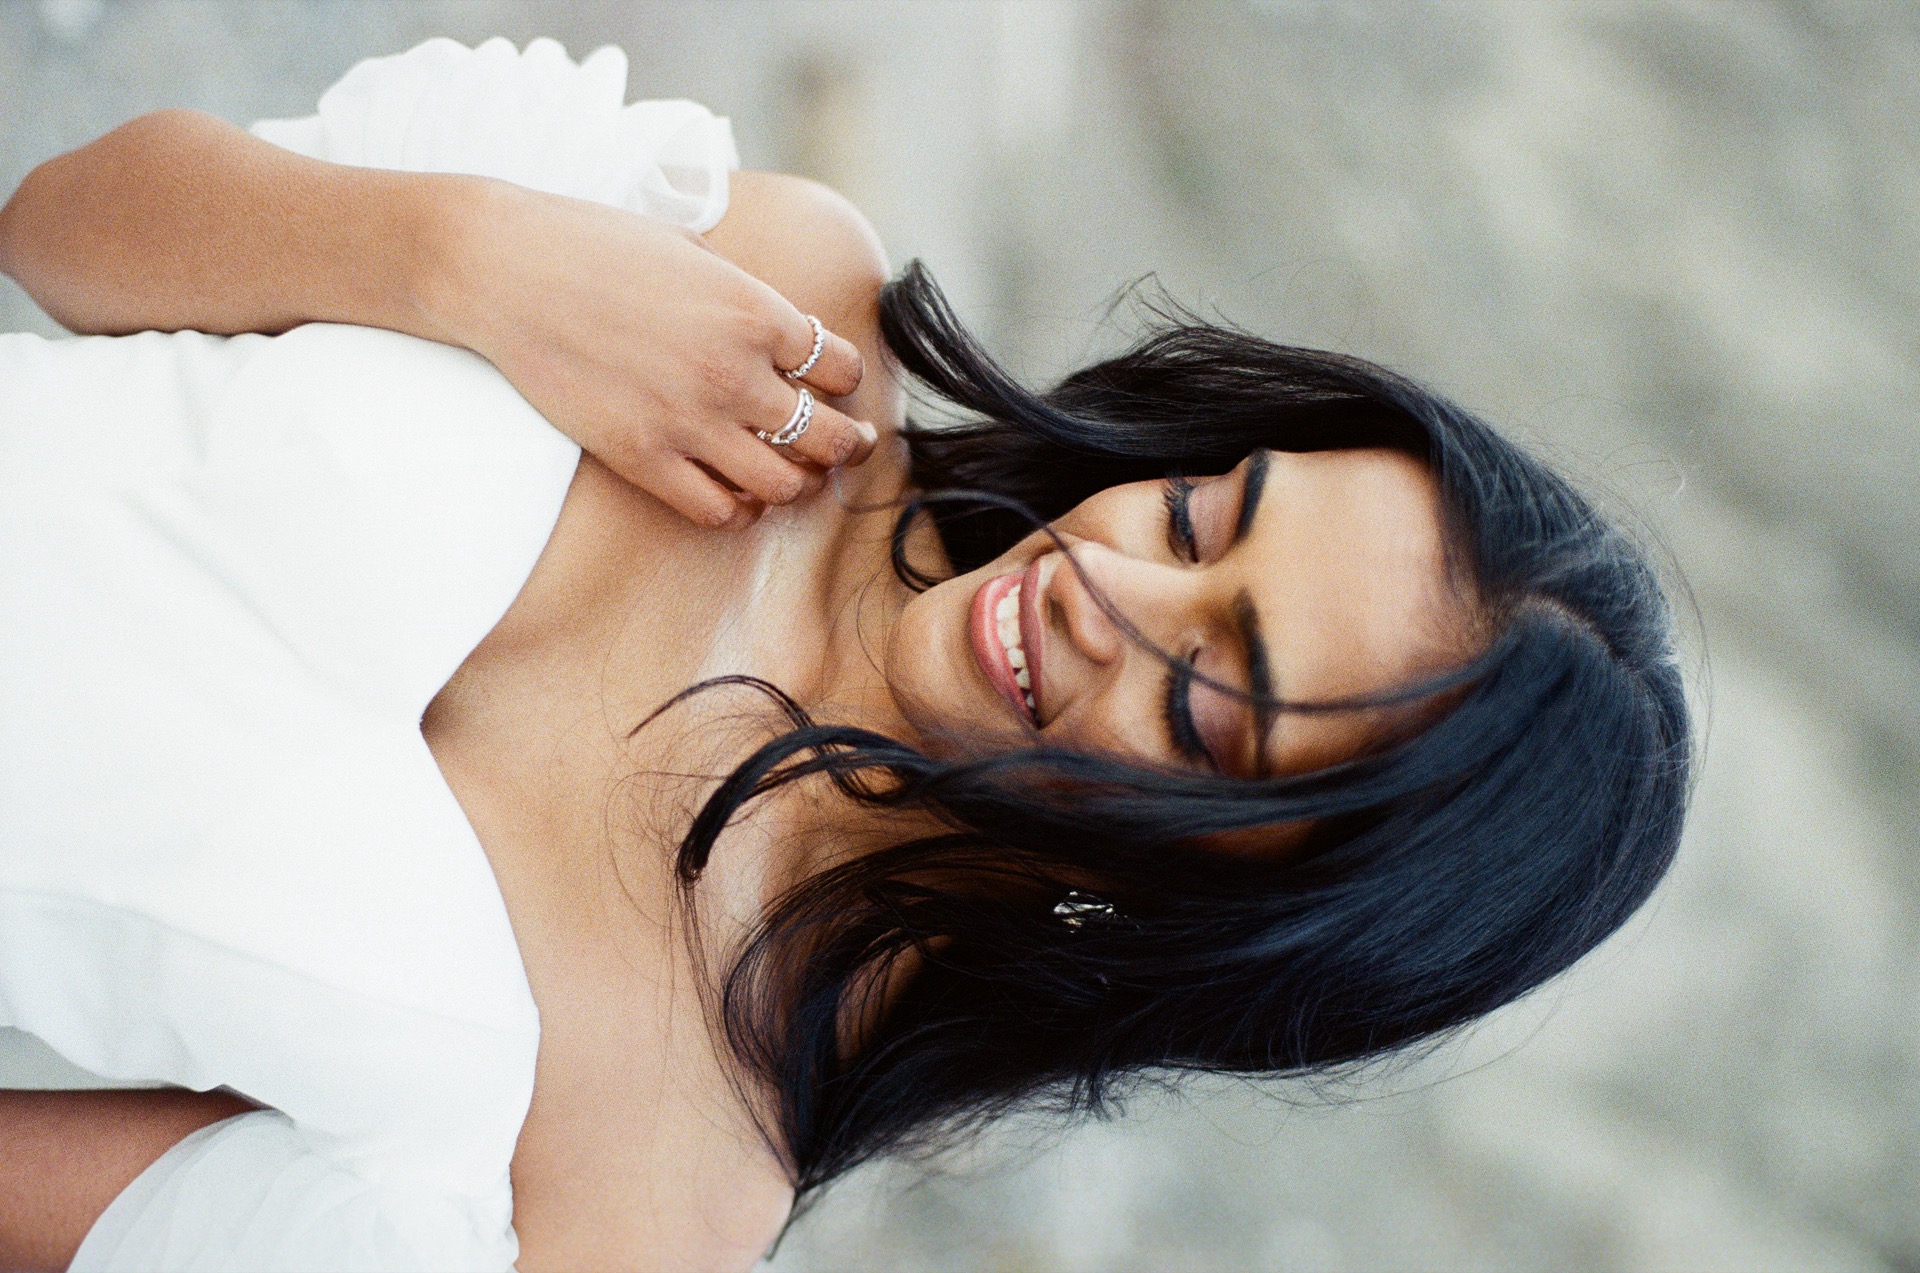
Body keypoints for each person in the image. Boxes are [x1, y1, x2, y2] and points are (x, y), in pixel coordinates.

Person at [0, 37, 1691, 1273]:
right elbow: (63, 227)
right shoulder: (784, 291)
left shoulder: (644, 1190)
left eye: (1207, 699)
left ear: (1247, 900)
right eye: (1197, 520)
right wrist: (482, 261)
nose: (1114, 588)